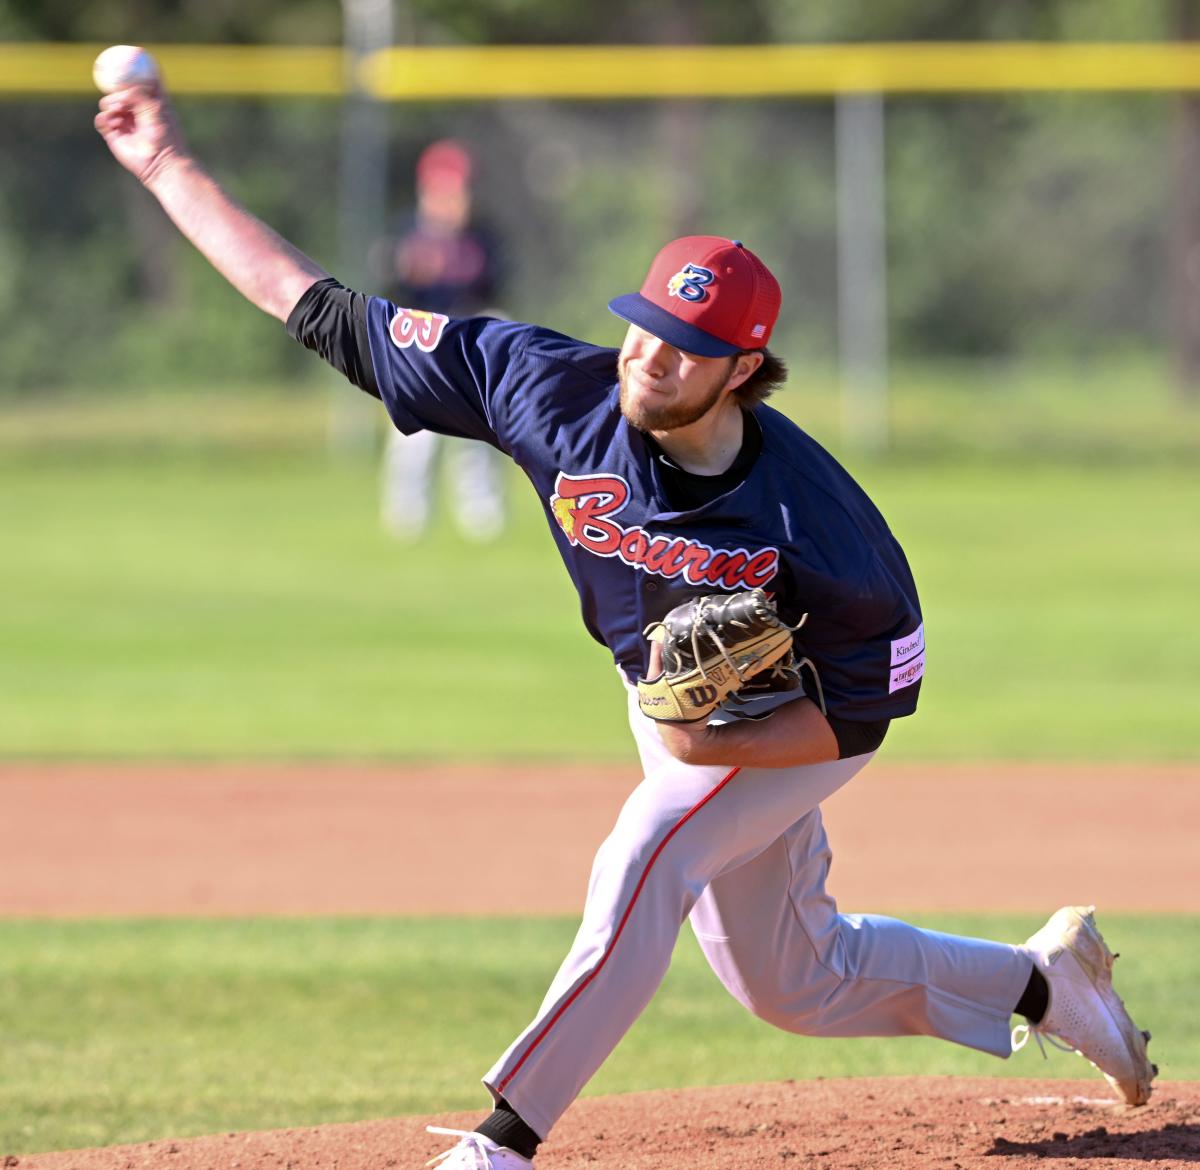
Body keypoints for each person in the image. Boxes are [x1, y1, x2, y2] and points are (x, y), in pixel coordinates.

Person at [95, 75, 1156, 1170]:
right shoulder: (545, 389)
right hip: (674, 701)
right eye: (647, 326)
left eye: (687, 345)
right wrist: (167, 164)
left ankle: (504, 1143)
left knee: (648, 851)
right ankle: (1045, 981)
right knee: (796, 982)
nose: (650, 356)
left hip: (791, 721)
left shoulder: (822, 531)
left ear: (745, 369)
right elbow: (310, 304)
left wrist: (715, 745)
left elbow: (866, 716)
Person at [372, 139, 507, 541]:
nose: (457, 200)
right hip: (419, 345)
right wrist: (403, 269)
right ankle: (406, 515)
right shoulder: (407, 234)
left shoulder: (482, 237)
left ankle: (480, 513)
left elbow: (496, 290)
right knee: (416, 437)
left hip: (468, 343)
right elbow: (389, 295)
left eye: (463, 190)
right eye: (447, 191)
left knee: (478, 432)